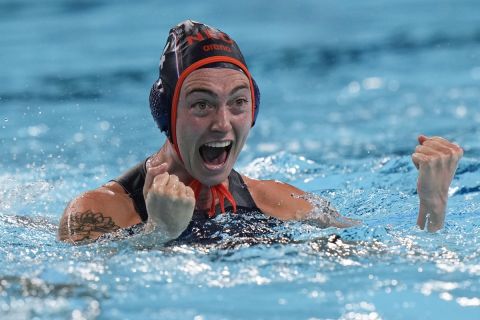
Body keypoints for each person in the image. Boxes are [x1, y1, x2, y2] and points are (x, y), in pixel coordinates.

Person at [58, 20, 464, 244]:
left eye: (238, 102)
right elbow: (79, 291)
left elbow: (392, 256)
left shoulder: (277, 199)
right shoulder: (101, 211)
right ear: (166, 114)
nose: (222, 122)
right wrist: (158, 233)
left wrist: (432, 204)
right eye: (201, 104)